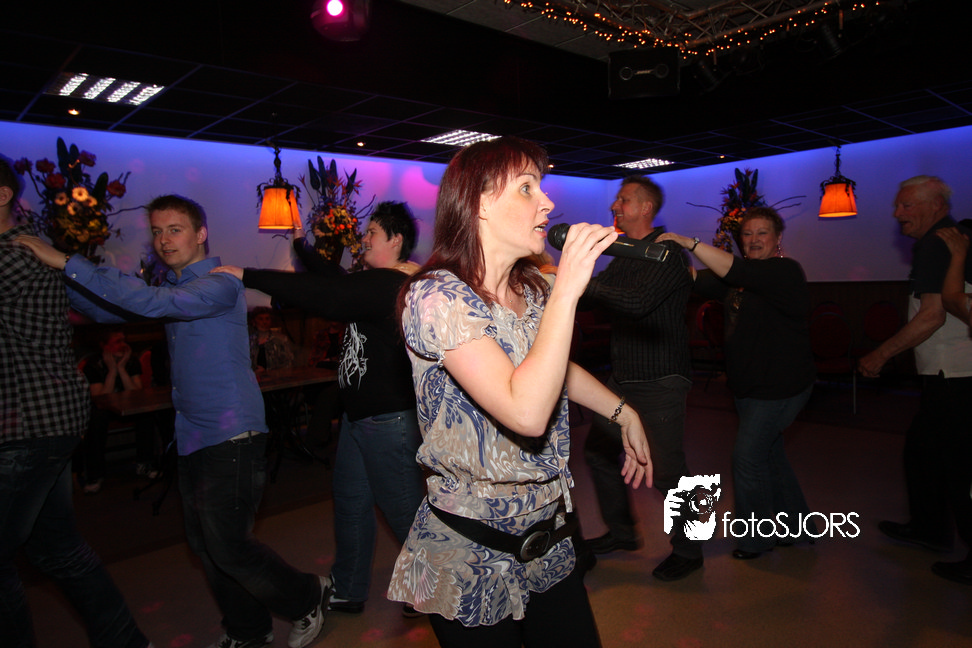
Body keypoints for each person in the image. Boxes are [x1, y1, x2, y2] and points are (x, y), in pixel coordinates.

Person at [17, 194, 331, 648]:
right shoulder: (172, 288)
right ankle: (248, 628)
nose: (164, 240)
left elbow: (147, 302)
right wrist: (54, 278)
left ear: (201, 234)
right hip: (193, 434)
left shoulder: (220, 283)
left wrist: (67, 261)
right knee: (205, 546)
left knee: (229, 546)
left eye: (175, 230)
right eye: (158, 232)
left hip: (232, 432)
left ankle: (307, 595)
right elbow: (112, 309)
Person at [387, 136, 652, 648]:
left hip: (547, 533)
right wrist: (568, 289)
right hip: (472, 547)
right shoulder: (437, 295)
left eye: (542, 187)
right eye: (527, 187)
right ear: (480, 203)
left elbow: (550, 371)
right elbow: (526, 411)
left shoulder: (529, 289)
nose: (547, 202)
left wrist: (623, 412)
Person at [212, 201, 427, 616]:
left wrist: (248, 275)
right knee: (350, 501)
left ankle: (434, 588)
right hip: (359, 417)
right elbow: (334, 279)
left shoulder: (394, 284)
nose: (363, 240)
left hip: (388, 419)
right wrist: (301, 245)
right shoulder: (374, 282)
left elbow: (329, 295)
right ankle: (348, 589)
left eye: (372, 233)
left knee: (403, 510)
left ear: (396, 240)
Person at [0, 157, 152, 648]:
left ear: (2, 195)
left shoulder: (13, 255)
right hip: (39, 418)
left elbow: (125, 303)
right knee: (57, 549)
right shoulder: (29, 248)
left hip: (26, 422)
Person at [659, 206, 817, 559]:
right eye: (747, 233)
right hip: (749, 388)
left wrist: (689, 242)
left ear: (778, 238)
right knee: (770, 454)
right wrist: (656, 255)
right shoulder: (738, 280)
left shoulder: (785, 271)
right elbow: (693, 278)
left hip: (780, 387)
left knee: (747, 459)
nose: (754, 239)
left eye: (763, 233)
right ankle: (796, 524)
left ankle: (756, 539)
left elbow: (737, 269)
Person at [578, 175, 698, 581]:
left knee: (668, 472)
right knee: (598, 452)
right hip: (625, 379)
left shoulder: (667, 254)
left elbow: (635, 302)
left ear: (646, 208)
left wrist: (579, 281)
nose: (615, 206)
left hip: (661, 380)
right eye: (616, 200)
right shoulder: (625, 254)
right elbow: (597, 294)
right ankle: (623, 532)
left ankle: (690, 550)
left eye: (624, 200)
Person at [858, 175, 972, 586]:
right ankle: (928, 528)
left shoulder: (936, 244)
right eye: (897, 205)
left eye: (907, 205)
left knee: (959, 466)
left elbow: (933, 315)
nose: (897, 213)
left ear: (935, 205)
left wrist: (880, 354)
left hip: (955, 374)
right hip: (948, 373)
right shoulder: (948, 240)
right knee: (922, 451)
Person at [79, 327, 160, 494]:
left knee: (146, 414)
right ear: (104, 346)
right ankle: (95, 475)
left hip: (128, 406)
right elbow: (100, 398)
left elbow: (137, 393)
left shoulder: (131, 362)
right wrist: (112, 371)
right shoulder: (93, 365)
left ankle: (145, 463)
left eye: (124, 341)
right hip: (104, 410)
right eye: (117, 342)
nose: (123, 345)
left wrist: (122, 369)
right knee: (96, 419)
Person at [248, 306, 294, 373]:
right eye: (260, 319)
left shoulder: (280, 340)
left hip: (275, 377)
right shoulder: (249, 341)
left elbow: (288, 363)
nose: (264, 322)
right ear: (253, 322)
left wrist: (267, 372)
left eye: (267, 319)